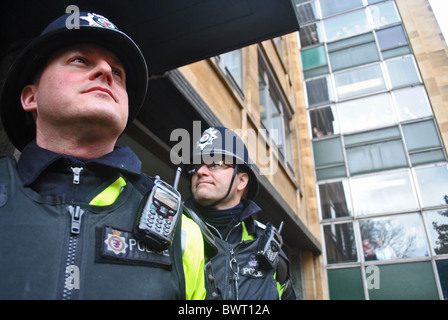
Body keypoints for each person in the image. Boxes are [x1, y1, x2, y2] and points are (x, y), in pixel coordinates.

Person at [0, 11, 206, 299]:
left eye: (118, 73)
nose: (107, 72)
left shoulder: (182, 233)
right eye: (80, 60)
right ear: (31, 97)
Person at [183, 126, 296, 300]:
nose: (200, 171)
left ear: (241, 180)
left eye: (215, 164)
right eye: (197, 165)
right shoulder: (172, 230)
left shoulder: (267, 244)